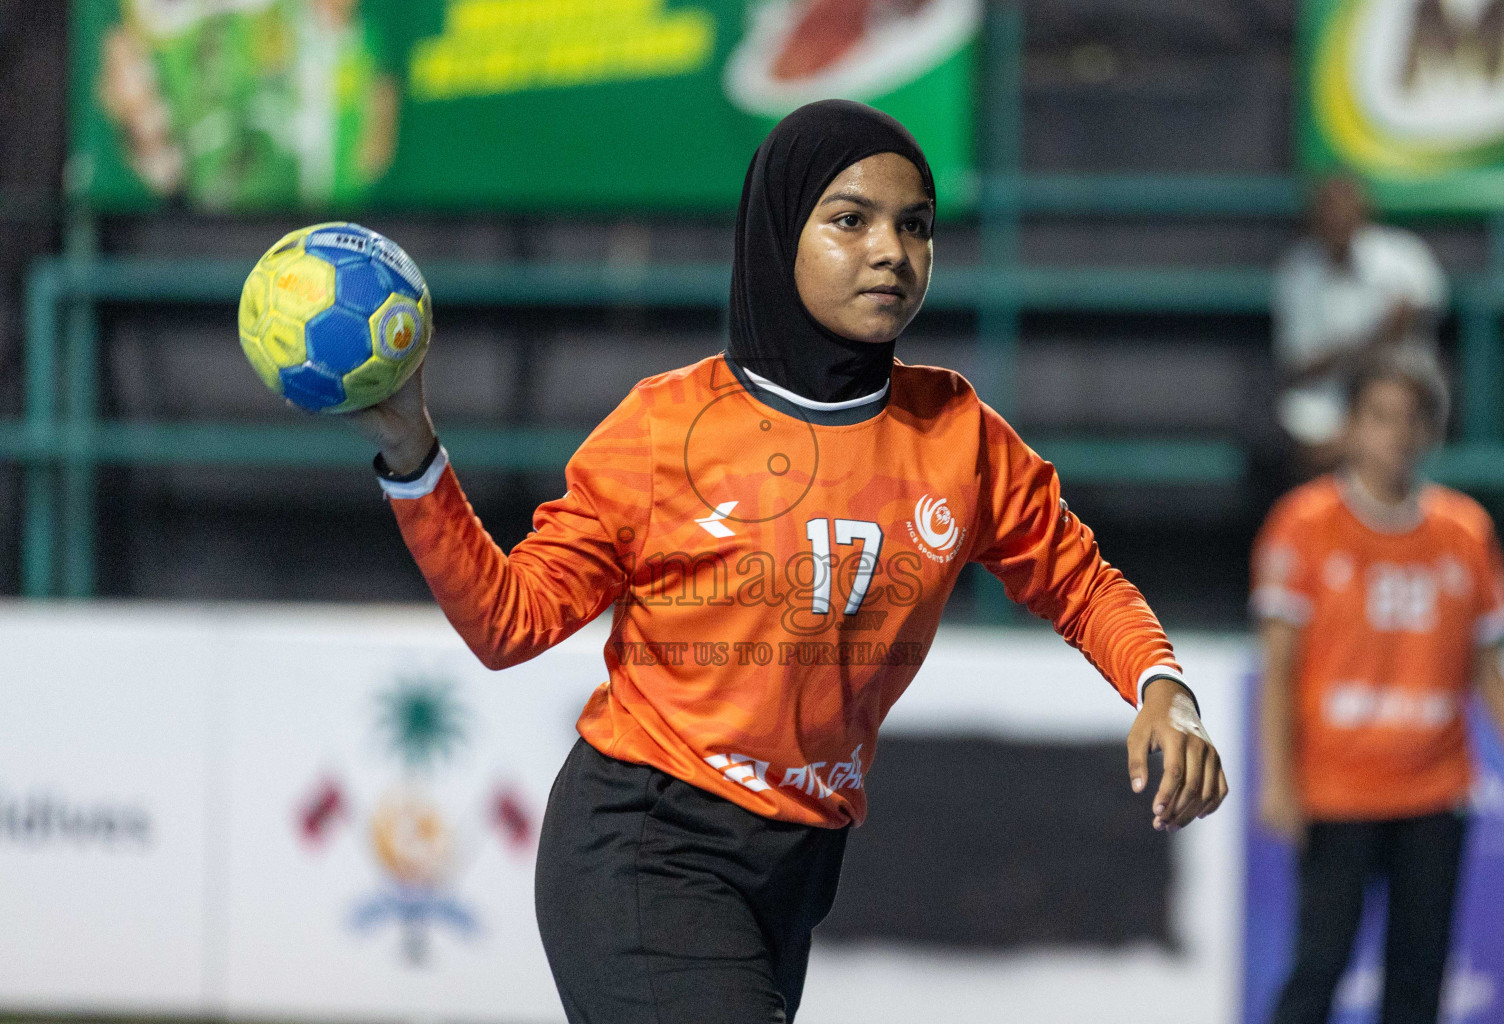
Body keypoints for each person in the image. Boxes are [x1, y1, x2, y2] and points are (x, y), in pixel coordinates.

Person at [347, 100, 1228, 1023]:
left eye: (915, 225)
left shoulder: (958, 433)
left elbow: (1081, 583)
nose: (891, 249)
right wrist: (415, 457)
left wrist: (1163, 688)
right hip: (647, 842)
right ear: (778, 231)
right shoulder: (666, 425)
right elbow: (508, 622)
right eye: (850, 219)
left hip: (799, 868)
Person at [1254, 348, 1504, 1024]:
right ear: (1350, 425)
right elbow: (1279, 666)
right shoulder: (1303, 524)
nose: (1395, 434)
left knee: (1418, 981)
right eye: (1379, 417)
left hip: (1435, 795)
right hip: (1337, 789)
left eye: (1410, 419)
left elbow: (1489, 672)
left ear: (1429, 430)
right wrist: (1278, 778)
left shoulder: (1464, 531)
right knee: (1318, 966)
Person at [1271, 175, 1447, 476]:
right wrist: (1372, 339)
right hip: (1326, 408)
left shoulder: (1404, 256)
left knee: (1390, 421)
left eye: (1344, 209)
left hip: (1404, 395)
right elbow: (1299, 365)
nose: (1336, 219)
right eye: (1328, 211)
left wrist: (1346, 353)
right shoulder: (1296, 271)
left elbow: (1419, 312)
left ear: (1364, 212)